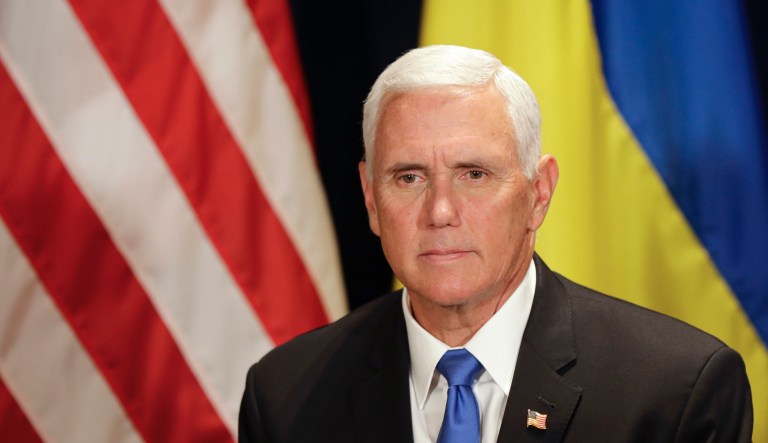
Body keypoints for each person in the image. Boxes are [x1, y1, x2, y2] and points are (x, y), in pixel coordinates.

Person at [239, 45, 753, 442]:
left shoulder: (676, 392)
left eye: (475, 173)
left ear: (538, 193)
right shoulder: (286, 395)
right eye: (409, 177)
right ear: (371, 200)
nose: (440, 211)